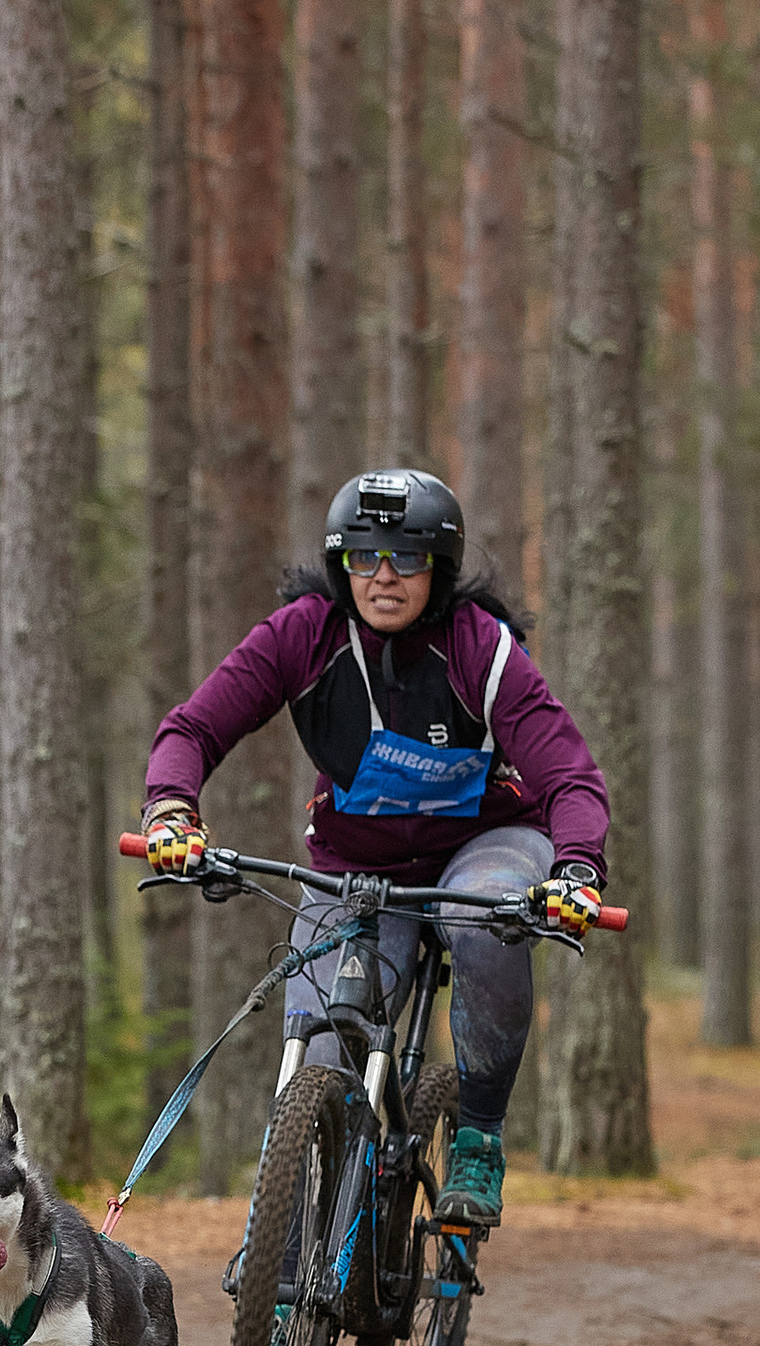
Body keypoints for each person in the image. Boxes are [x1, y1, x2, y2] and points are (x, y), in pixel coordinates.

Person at [138, 467, 610, 1229]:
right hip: (356, 866)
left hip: (486, 844)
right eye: (364, 559)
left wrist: (578, 869)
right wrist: (170, 812)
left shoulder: (479, 651)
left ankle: (480, 1140)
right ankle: (288, 1259)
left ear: (440, 570)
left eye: (407, 561)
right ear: (341, 566)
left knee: (488, 921)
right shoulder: (302, 635)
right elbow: (193, 728)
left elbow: (572, 778)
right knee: (318, 1054)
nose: (384, 577)